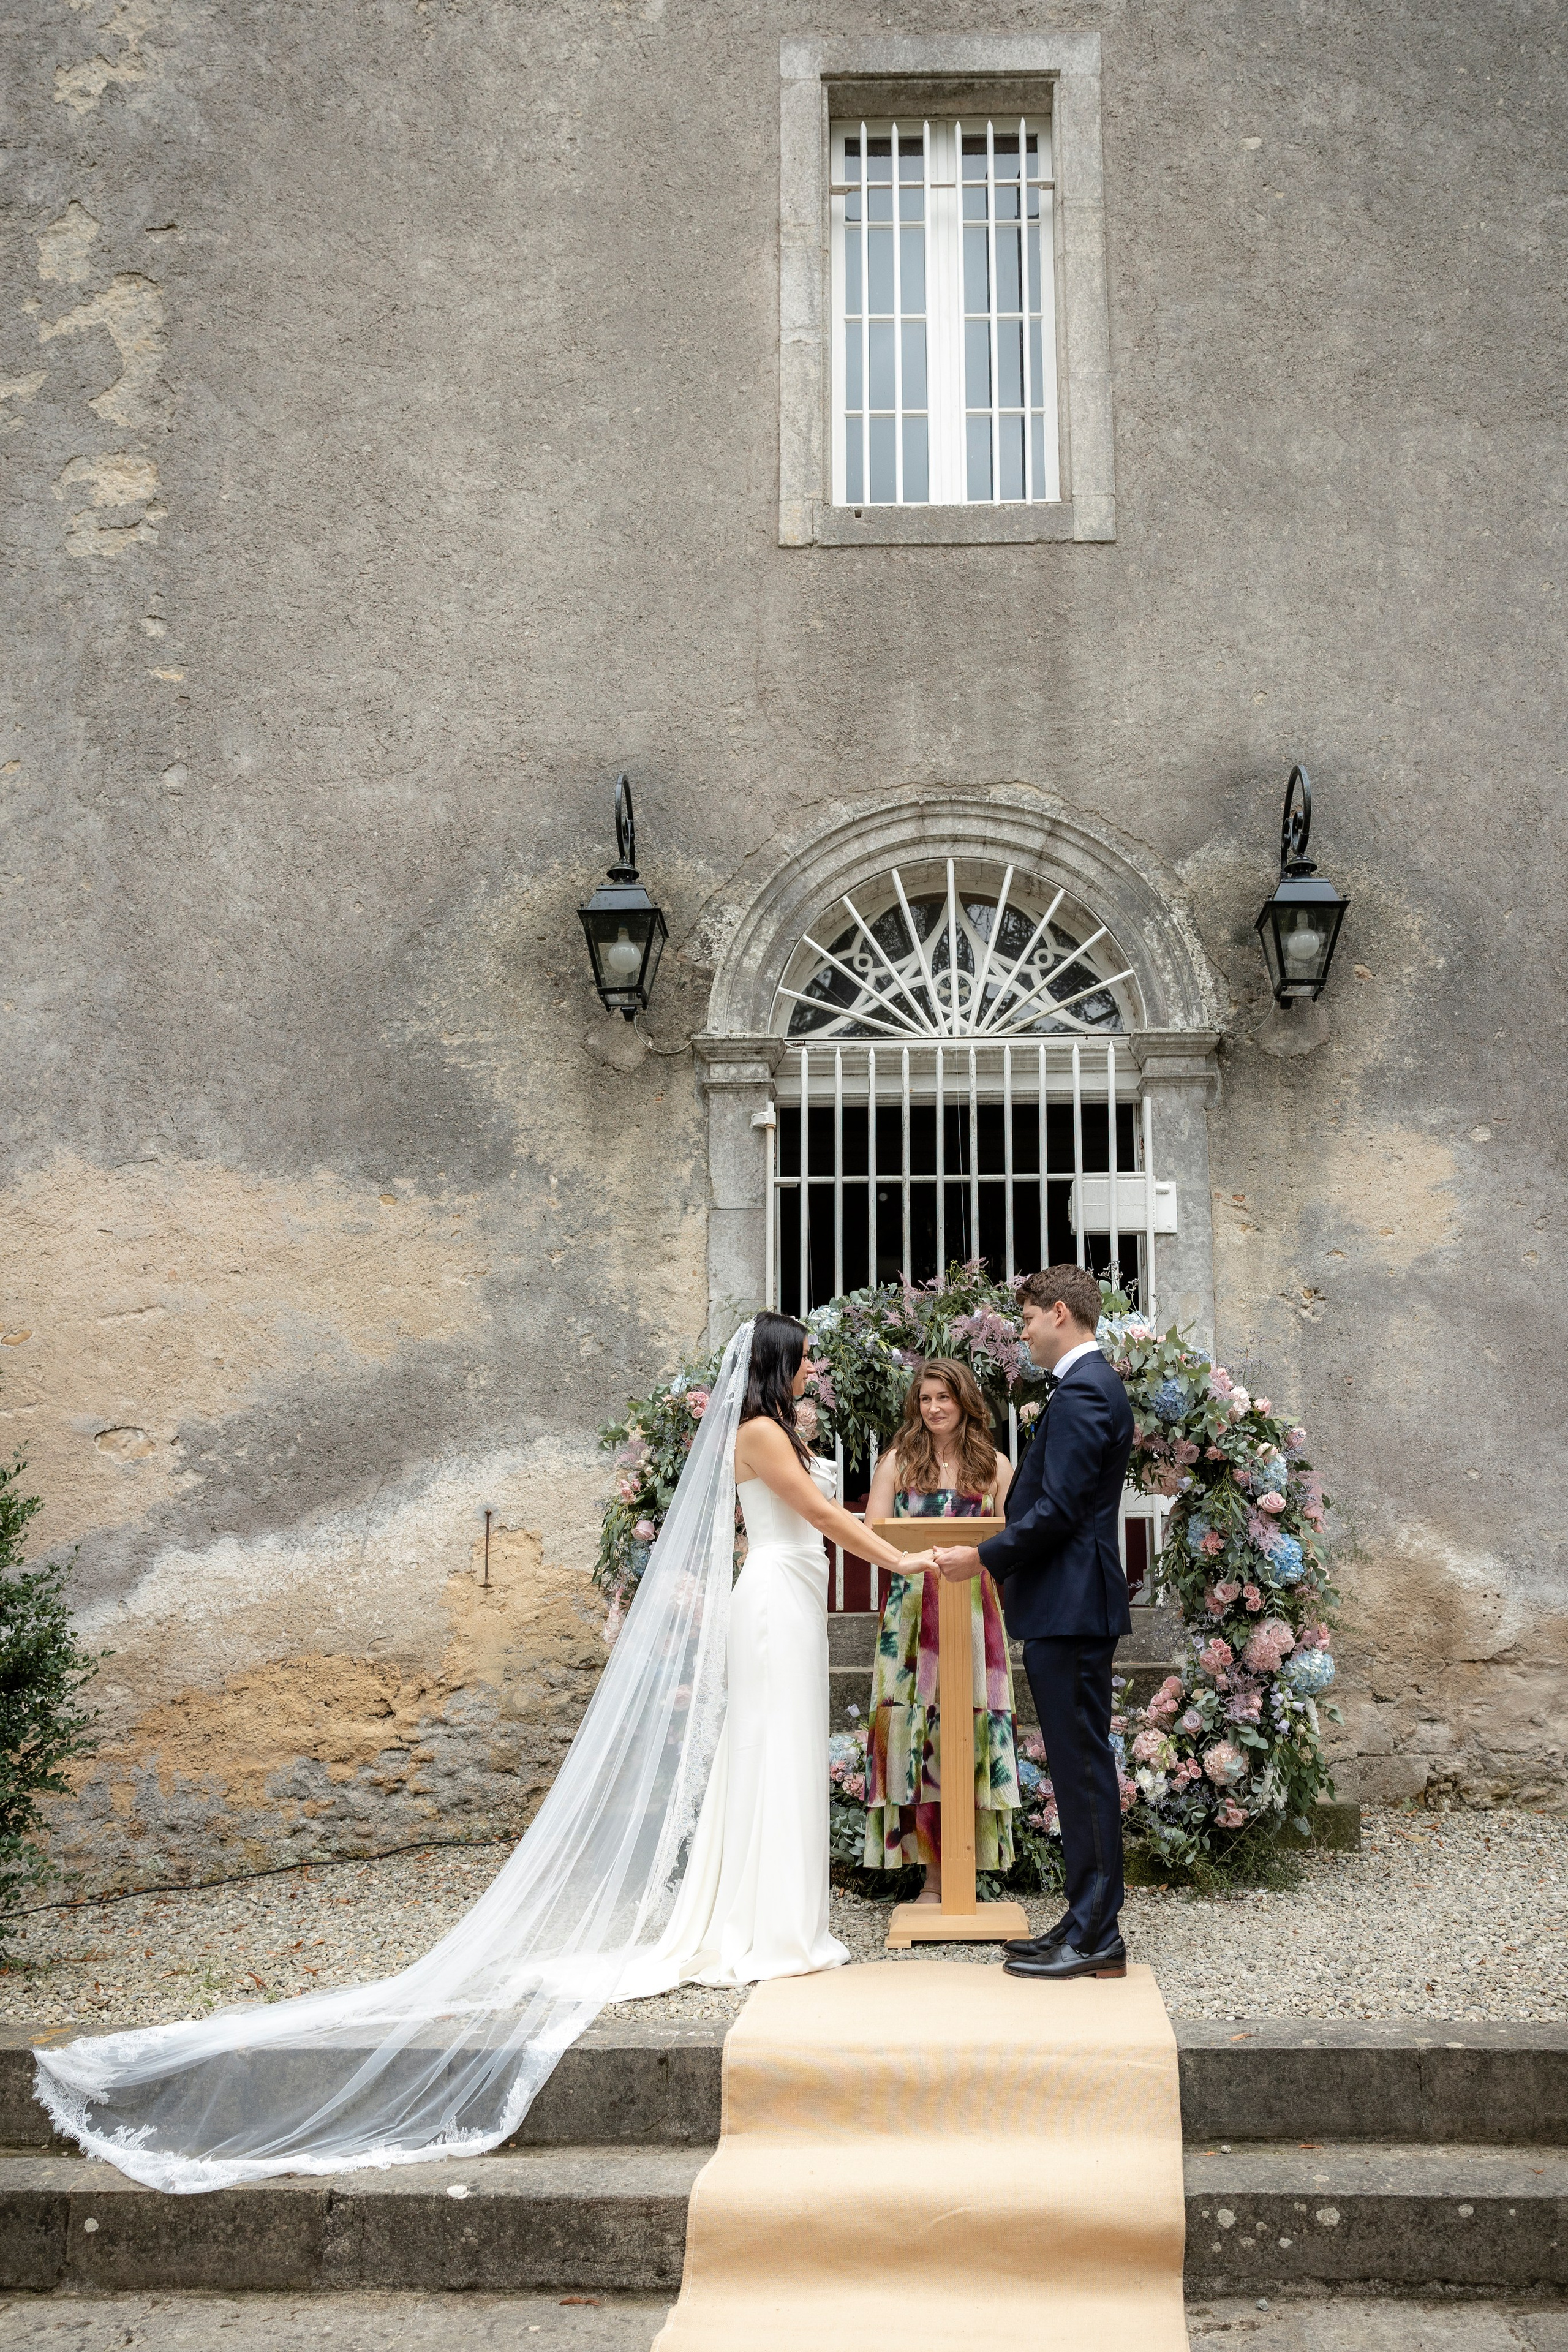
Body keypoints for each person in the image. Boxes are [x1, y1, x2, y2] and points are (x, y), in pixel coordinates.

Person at [33, 1314, 933, 2193]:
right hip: (777, 1595)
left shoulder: (776, 1429)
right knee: (767, 1750)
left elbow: (803, 1518)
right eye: (805, 1357)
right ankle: (768, 1926)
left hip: (791, 1587)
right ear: (779, 1363)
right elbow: (818, 1513)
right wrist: (903, 1562)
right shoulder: (759, 1432)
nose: (814, 1367)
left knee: (778, 1749)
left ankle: (780, 1915)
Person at [933, 1265, 1135, 1982]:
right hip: (1067, 1603)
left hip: (1072, 1604)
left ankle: (1096, 1937)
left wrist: (983, 1556)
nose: (1019, 1332)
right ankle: (1083, 1920)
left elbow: (1061, 1510)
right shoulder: (1086, 1388)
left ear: (1059, 1313)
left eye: (1024, 1318)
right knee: (1079, 1768)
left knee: (1082, 1773)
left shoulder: (1084, 1392)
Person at [859, 1359, 1019, 1904]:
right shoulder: (898, 1463)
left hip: (974, 1608)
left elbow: (1014, 1537)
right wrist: (916, 1556)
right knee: (917, 1734)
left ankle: (967, 1872)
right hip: (910, 1614)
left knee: (972, 1730)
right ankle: (930, 1877)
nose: (934, 1408)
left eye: (944, 1398)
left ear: (966, 1401)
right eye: (925, 1399)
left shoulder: (996, 1466)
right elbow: (874, 1536)